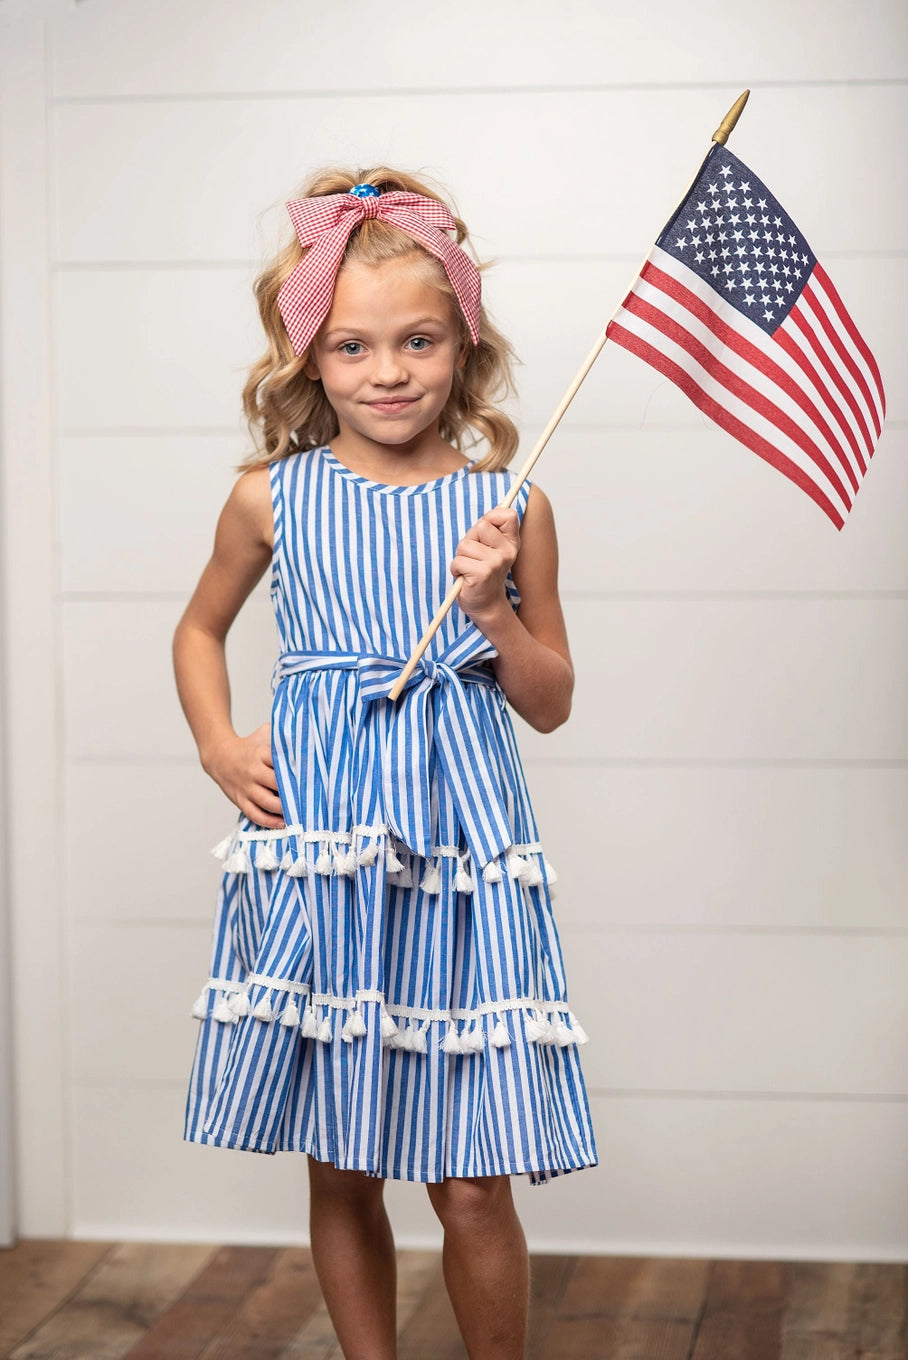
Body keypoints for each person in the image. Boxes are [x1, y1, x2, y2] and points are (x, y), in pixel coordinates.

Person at [173, 165, 598, 1360]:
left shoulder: (508, 506)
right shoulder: (271, 499)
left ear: (464, 343)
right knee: (344, 1157)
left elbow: (552, 702)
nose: (389, 371)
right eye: (352, 347)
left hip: (459, 852)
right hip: (324, 852)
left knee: (470, 1181)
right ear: (308, 357)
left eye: (417, 340)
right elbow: (196, 628)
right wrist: (219, 743)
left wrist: (493, 618)